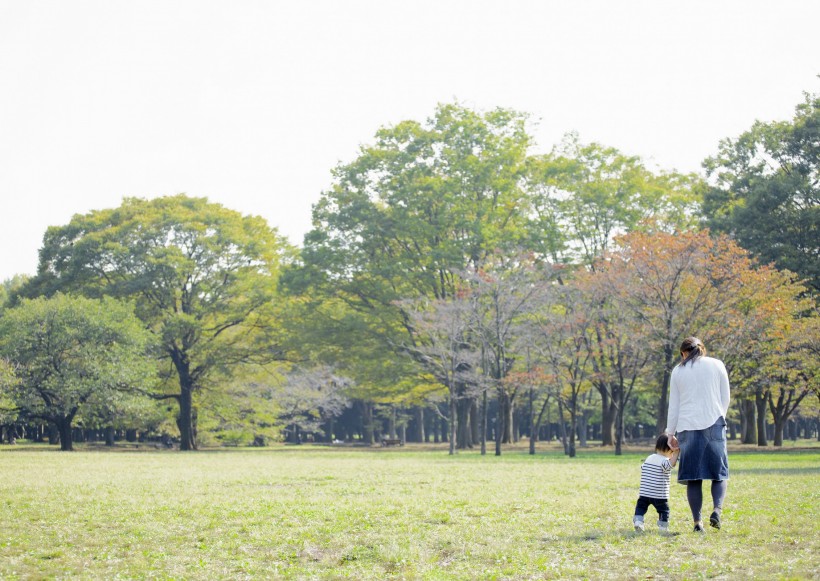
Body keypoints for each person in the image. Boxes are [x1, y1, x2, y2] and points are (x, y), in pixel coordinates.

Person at [665, 337, 730, 533]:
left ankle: (697, 523)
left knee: (694, 478)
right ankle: (717, 510)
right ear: (702, 349)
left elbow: (674, 405)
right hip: (714, 421)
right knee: (719, 473)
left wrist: (670, 432)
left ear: (683, 353)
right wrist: (720, 416)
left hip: (687, 425)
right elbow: (725, 397)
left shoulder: (678, 371)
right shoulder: (717, 364)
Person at [633, 433, 680, 533]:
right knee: (664, 510)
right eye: (672, 452)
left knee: (640, 507)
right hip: (659, 494)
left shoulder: (649, 458)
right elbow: (671, 464)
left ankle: (638, 521)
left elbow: (643, 468)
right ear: (669, 450)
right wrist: (676, 453)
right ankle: (663, 527)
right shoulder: (664, 460)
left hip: (644, 493)